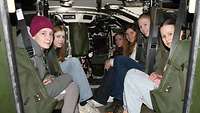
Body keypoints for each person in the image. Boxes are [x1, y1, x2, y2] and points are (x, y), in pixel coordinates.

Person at [123, 18, 184, 113]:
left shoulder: (186, 52)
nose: (167, 39)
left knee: (131, 78)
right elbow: (162, 68)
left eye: (170, 34)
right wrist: (158, 75)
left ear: (180, 33)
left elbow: (182, 85)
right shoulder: (168, 50)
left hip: (170, 100)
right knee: (131, 73)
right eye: (163, 36)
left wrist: (163, 81)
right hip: (164, 87)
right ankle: (126, 109)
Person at [28, 16, 79, 113]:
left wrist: (49, 77)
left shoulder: (39, 52)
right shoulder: (30, 53)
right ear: (33, 35)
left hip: (43, 90)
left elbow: (43, 73)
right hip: (37, 97)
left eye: (51, 34)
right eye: (43, 33)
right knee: (70, 80)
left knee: (73, 88)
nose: (48, 38)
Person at [50, 25, 93, 103]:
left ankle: (83, 98)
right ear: (52, 36)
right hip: (52, 74)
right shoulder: (49, 50)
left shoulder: (57, 51)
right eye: (58, 36)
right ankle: (85, 99)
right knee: (74, 61)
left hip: (57, 71)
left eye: (63, 37)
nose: (61, 40)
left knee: (73, 64)